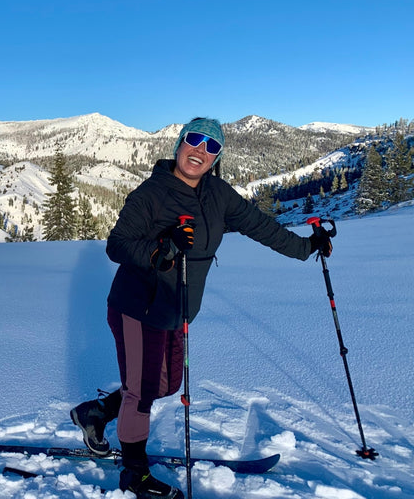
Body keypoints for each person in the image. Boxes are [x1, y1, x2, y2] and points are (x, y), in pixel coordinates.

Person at [70, 117, 332, 499]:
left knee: (166, 383)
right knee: (141, 392)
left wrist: (307, 247)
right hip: (138, 305)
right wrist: (162, 248)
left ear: (217, 158)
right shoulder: (153, 193)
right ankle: (134, 473)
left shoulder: (218, 195)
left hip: (177, 310)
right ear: (179, 144)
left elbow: (261, 226)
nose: (200, 151)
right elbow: (118, 244)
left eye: (212, 146)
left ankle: (96, 413)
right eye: (194, 140)